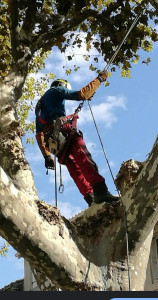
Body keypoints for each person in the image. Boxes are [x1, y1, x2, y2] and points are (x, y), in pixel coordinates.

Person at [35, 72, 119, 206]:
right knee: (84, 157)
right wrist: (99, 80)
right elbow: (81, 94)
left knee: (74, 167)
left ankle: (90, 198)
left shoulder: (39, 106)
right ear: (63, 86)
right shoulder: (56, 90)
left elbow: (39, 133)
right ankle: (100, 191)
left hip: (53, 141)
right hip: (63, 131)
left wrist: (47, 156)